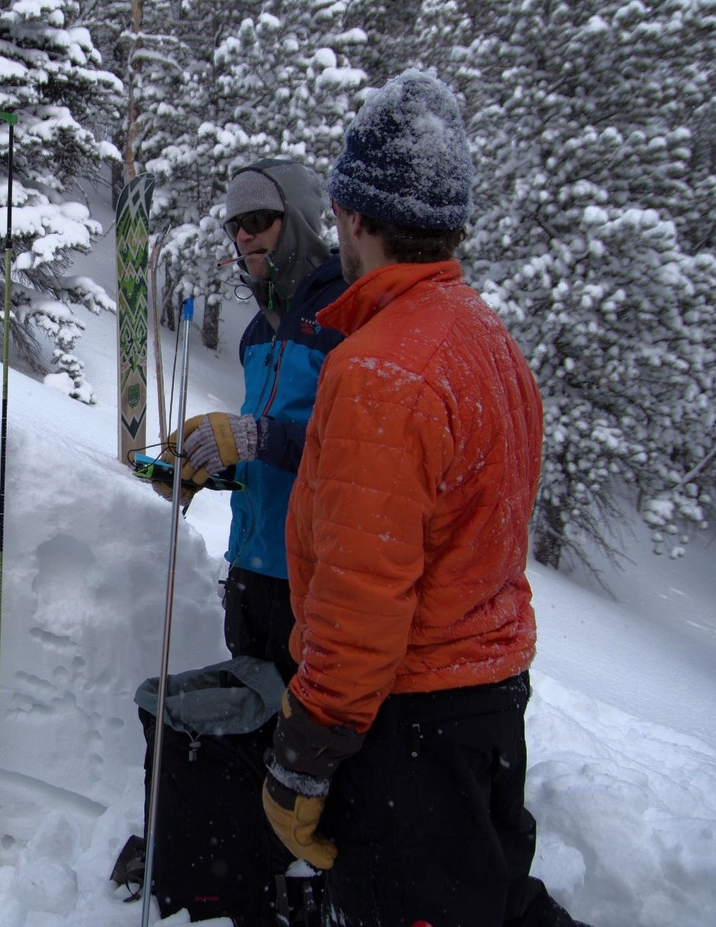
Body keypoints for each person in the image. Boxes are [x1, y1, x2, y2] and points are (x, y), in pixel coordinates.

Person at [258, 69, 588, 927]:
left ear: (355, 214)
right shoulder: (486, 339)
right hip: (486, 703)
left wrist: (306, 749)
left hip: (408, 723)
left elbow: (363, 587)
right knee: (488, 901)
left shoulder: (381, 367)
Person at [161, 158, 346, 687]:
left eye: (259, 220)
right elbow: (266, 452)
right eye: (235, 225)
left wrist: (255, 437)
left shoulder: (344, 313)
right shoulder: (257, 333)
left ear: (298, 221)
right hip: (249, 567)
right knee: (245, 739)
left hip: (311, 578)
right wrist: (204, 463)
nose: (244, 236)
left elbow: (353, 452)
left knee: (294, 739)